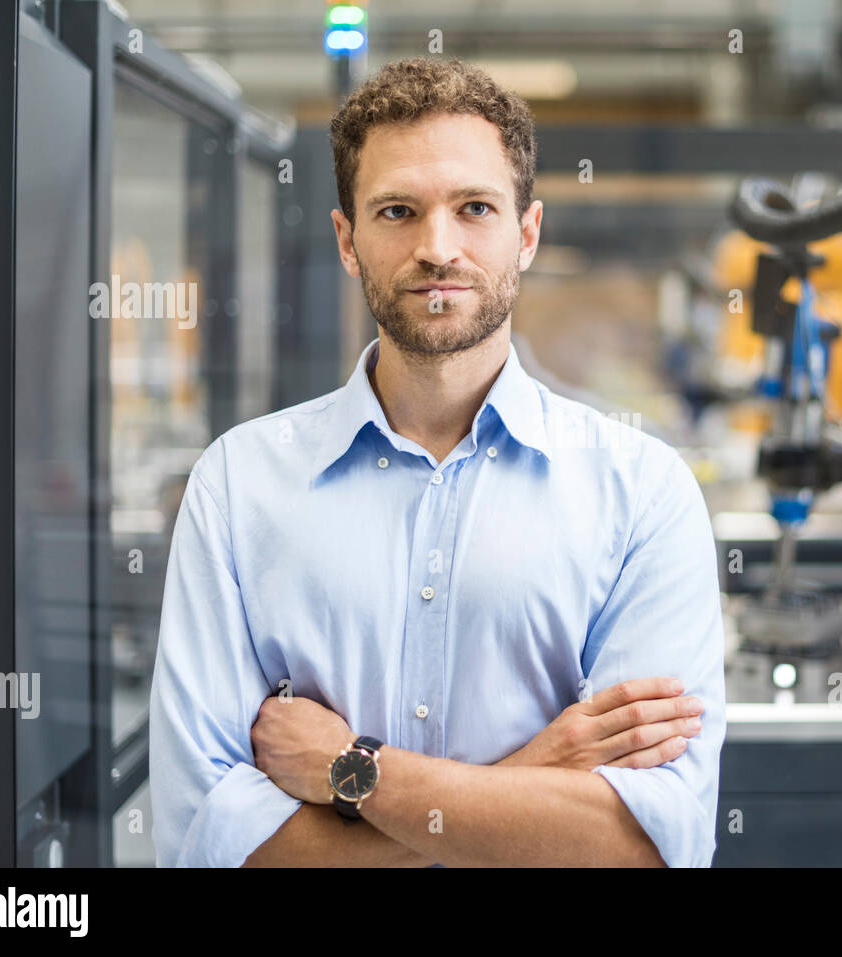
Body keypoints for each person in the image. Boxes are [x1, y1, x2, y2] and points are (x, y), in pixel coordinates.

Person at [148, 57, 726, 868]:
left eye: (475, 208)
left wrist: (356, 774)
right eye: (397, 211)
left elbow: (640, 844)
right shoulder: (239, 486)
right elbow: (208, 844)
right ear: (348, 241)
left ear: (526, 235)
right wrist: (534, 779)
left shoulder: (644, 491)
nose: (437, 247)